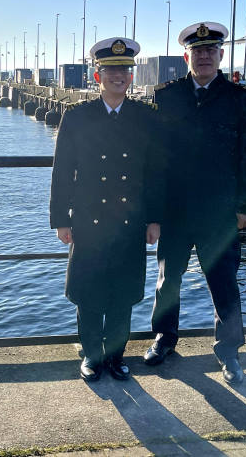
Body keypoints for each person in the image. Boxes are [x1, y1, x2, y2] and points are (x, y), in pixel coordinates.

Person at [143, 21, 246, 386]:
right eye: (197, 51)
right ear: (187, 56)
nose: (204, 57)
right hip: (176, 211)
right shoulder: (168, 96)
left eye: (210, 50)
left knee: (224, 282)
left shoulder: (240, 99)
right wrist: (153, 214)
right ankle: (164, 338)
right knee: (169, 281)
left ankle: (229, 350)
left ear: (221, 55)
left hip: (221, 210)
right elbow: (154, 160)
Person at [49, 37, 165, 382]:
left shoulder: (146, 118)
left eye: (124, 71)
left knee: (122, 294)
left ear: (132, 77)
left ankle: (115, 357)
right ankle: (91, 355)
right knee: (90, 292)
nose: (118, 76)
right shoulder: (77, 117)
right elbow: (62, 172)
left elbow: (155, 173)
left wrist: (155, 218)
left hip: (130, 222)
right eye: (111, 70)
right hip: (88, 221)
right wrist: (60, 220)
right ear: (97, 76)